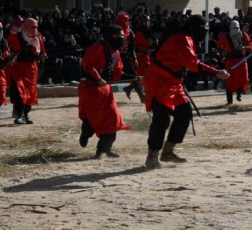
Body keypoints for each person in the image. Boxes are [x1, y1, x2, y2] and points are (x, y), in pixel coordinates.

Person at [143, 15, 229, 169]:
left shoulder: (188, 39)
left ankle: (168, 151)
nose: (205, 33)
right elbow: (192, 63)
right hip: (158, 82)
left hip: (174, 83)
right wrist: (216, 72)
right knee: (161, 120)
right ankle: (152, 155)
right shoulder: (181, 39)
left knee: (184, 113)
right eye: (203, 30)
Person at [77, 25, 131, 158]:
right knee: (93, 118)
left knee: (113, 119)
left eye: (122, 36)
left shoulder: (116, 53)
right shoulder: (98, 47)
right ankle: (85, 133)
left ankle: (103, 149)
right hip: (90, 88)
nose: (121, 38)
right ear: (110, 35)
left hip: (105, 89)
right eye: (118, 36)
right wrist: (98, 78)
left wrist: (135, 79)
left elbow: (118, 74)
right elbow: (87, 64)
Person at [7, 17, 47, 124]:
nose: (34, 29)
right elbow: (6, 50)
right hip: (18, 68)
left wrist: (43, 56)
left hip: (31, 69)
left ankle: (26, 114)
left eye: (35, 27)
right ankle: (19, 114)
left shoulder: (38, 37)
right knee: (19, 91)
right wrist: (10, 57)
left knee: (30, 92)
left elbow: (42, 51)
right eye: (31, 27)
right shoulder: (14, 37)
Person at [216, 20, 252, 105]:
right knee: (229, 80)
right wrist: (222, 56)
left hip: (241, 60)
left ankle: (239, 93)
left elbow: (250, 47)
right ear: (231, 28)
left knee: (243, 78)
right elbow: (219, 46)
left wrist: (244, 47)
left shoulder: (244, 35)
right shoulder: (226, 36)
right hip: (230, 60)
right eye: (234, 28)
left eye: (237, 28)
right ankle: (229, 101)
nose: (236, 29)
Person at [117, 12, 144, 102]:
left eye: (126, 21)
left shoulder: (130, 32)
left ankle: (141, 96)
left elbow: (131, 47)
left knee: (133, 75)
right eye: (122, 21)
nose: (125, 23)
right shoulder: (114, 30)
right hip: (114, 55)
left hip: (124, 55)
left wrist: (135, 58)